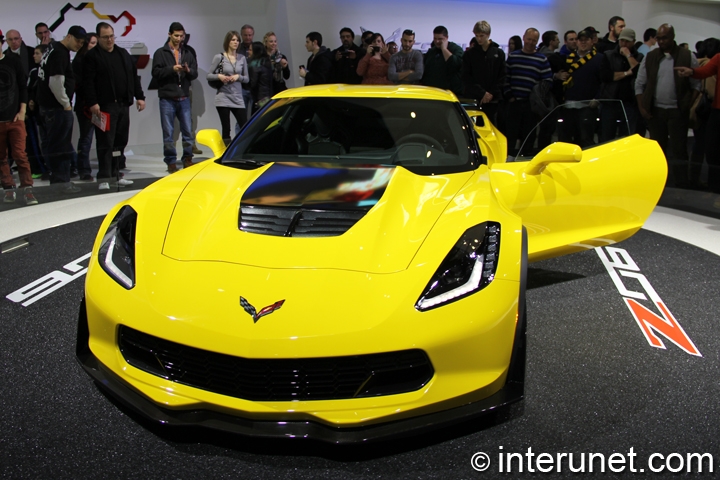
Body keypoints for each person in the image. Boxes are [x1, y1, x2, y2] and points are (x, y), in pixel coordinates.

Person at [635, 24, 701, 187]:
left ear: (672, 37)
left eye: (664, 37)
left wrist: (687, 105)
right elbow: (639, 83)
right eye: (658, 38)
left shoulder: (687, 56)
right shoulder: (650, 57)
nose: (661, 41)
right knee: (658, 150)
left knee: (679, 149)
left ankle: (681, 183)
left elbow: (696, 84)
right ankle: (658, 182)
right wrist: (642, 107)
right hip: (655, 111)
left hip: (677, 111)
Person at [84, 22, 145, 190]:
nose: (109, 40)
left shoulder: (122, 54)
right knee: (105, 142)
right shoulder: (92, 57)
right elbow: (87, 82)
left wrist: (139, 97)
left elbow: (133, 77)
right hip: (103, 107)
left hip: (123, 105)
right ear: (97, 37)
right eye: (105, 37)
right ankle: (104, 177)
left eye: (111, 36)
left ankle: (117, 174)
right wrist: (92, 102)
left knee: (120, 141)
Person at [36, 25, 86, 193]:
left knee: (54, 145)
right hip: (56, 108)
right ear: (69, 37)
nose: (79, 45)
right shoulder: (60, 53)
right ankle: (61, 183)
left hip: (47, 106)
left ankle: (58, 181)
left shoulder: (53, 47)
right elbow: (55, 82)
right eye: (78, 41)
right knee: (61, 147)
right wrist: (66, 104)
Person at [150, 21, 198, 173]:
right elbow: (156, 73)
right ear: (169, 34)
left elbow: (195, 74)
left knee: (187, 130)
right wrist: (172, 69)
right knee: (168, 132)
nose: (179, 39)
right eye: (176, 36)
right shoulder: (160, 53)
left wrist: (188, 70)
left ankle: (188, 158)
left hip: (183, 96)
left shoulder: (188, 52)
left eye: (181, 36)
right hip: (167, 97)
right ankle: (171, 161)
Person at [0, 31, 37, 205]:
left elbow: (23, 87)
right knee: (1, 157)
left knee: (20, 155)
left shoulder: (12, 60)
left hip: (15, 118)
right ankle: (8, 188)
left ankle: (27, 189)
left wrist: (22, 110)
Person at [676, 48, 720, 193]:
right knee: (712, 151)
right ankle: (714, 187)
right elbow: (706, 71)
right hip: (717, 112)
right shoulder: (718, 58)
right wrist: (692, 72)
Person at [503, 28, 552, 156]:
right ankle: (508, 159)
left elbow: (547, 81)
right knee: (510, 134)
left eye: (534, 40)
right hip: (514, 103)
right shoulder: (513, 56)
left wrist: (537, 96)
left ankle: (526, 160)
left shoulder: (542, 59)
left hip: (531, 105)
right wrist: (509, 96)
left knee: (529, 135)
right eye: (529, 39)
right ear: (524, 38)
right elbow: (505, 78)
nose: (531, 42)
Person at [558, 28, 610, 148]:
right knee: (566, 140)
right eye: (580, 40)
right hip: (568, 106)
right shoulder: (569, 58)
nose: (583, 43)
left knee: (585, 139)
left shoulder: (599, 58)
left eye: (586, 40)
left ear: (592, 41)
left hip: (587, 106)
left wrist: (597, 98)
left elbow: (604, 82)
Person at [599, 28, 642, 142]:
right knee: (607, 137)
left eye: (627, 41)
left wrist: (628, 56)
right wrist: (627, 73)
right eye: (622, 40)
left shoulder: (639, 57)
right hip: (610, 101)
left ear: (633, 41)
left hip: (629, 102)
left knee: (627, 136)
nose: (624, 44)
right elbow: (606, 76)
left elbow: (639, 72)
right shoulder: (608, 55)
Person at [208, 31, 248, 145]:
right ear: (228, 42)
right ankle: (226, 152)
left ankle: (241, 149)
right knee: (226, 128)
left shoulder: (242, 58)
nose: (236, 42)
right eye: (233, 40)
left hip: (237, 96)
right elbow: (209, 75)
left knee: (244, 125)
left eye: (237, 40)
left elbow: (247, 79)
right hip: (223, 96)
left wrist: (238, 77)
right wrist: (220, 76)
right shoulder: (219, 57)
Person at [462, 20, 505, 124]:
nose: (479, 39)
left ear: (488, 35)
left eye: (482, 35)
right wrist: (482, 93)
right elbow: (467, 77)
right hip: (475, 97)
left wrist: (490, 94)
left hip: (493, 99)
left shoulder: (498, 53)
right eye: (477, 36)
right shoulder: (470, 54)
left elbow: (502, 76)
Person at [72, 32, 97, 182]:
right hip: (85, 107)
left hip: (100, 107)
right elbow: (80, 85)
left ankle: (109, 169)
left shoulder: (98, 59)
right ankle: (83, 170)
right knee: (86, 139)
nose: (94, 46)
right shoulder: (79, 61)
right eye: (92, 43)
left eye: (96, 43)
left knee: (104, 139)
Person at [422, 26, 463, 96]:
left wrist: (444, 49)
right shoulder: (431, 52)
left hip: (451, 93)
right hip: (432, 92)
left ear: (446, 38)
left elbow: (454, 64)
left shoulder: (456, 49)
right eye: (435, 38)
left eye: (440, 39)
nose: (437, 41)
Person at [248, 41, 273, 113]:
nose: (248, 51)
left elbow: (253, 84)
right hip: (268, 97)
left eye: (250, 50)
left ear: (255, 52)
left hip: (259, 99)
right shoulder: (268, 63)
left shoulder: (254, 65)